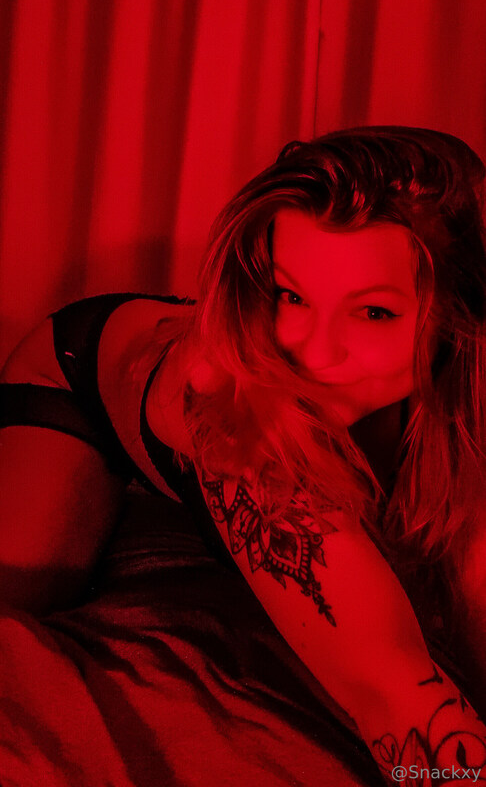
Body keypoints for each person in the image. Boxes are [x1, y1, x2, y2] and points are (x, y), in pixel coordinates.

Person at [1, 124, 486, 785]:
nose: (313, 353)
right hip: (73, 376)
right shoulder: (226, 400)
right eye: (291, 296)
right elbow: (389, 692)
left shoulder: (465, 383)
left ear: (458, 310)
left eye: (372, 312)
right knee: (18, 626)